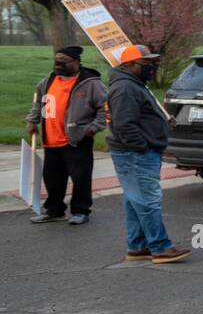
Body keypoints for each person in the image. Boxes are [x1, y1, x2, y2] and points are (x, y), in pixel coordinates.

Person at [106, 45, 190, 263]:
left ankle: (138, 246)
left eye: (153, 63)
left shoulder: (134, 85)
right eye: (146, 64)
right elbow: (125, 125)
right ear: (130, 65)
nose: (151, 68)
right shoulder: (126, 88)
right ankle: (160, 247)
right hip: (135, 154)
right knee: (147, 200)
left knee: (135, 200)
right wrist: (142, 147)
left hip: (136, 152)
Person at [25, 45, 106, 226]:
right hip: (51, 140)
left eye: (63, 62)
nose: (58, 65)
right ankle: (54, 211)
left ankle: (80, 211)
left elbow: (105, 109)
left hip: (77, 140)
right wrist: (32, 120)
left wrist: (92, 129)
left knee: (80, 178)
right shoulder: (48, 80)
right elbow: (38, 102)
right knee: (52, 179)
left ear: (76, 62)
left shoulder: (91, 83)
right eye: (56, 61)